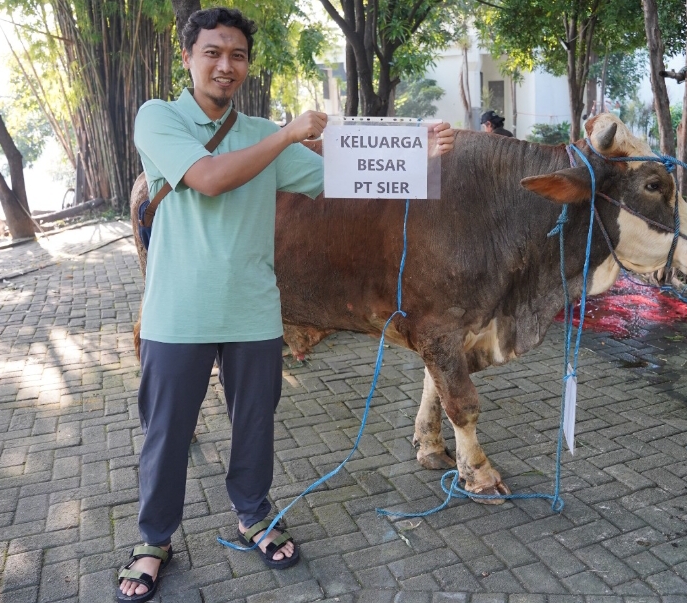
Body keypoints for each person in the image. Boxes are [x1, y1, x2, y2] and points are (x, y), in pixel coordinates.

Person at [117, 8, 454, 602]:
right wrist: (287, 132)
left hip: (252, 308)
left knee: (255, 425)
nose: (227, 65)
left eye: (238, 55)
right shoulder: (158, 117)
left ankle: (253, 516)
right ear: (189, 57)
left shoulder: (260, 132)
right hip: (178, 311)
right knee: (166, 431)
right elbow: (210, 177)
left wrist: (415, 153)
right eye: (214, 53)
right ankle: (153, 540)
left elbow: (338, 175)